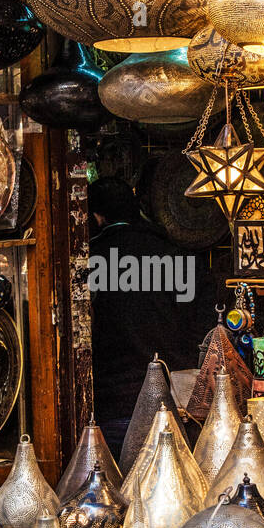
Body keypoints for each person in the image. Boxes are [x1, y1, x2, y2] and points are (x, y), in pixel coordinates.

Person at [88, 176, 214, 457]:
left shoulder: (89, 262)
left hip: (112, 410)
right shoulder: (180, 258)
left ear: (97, 218)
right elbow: (205, 335)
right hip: (175, 409)